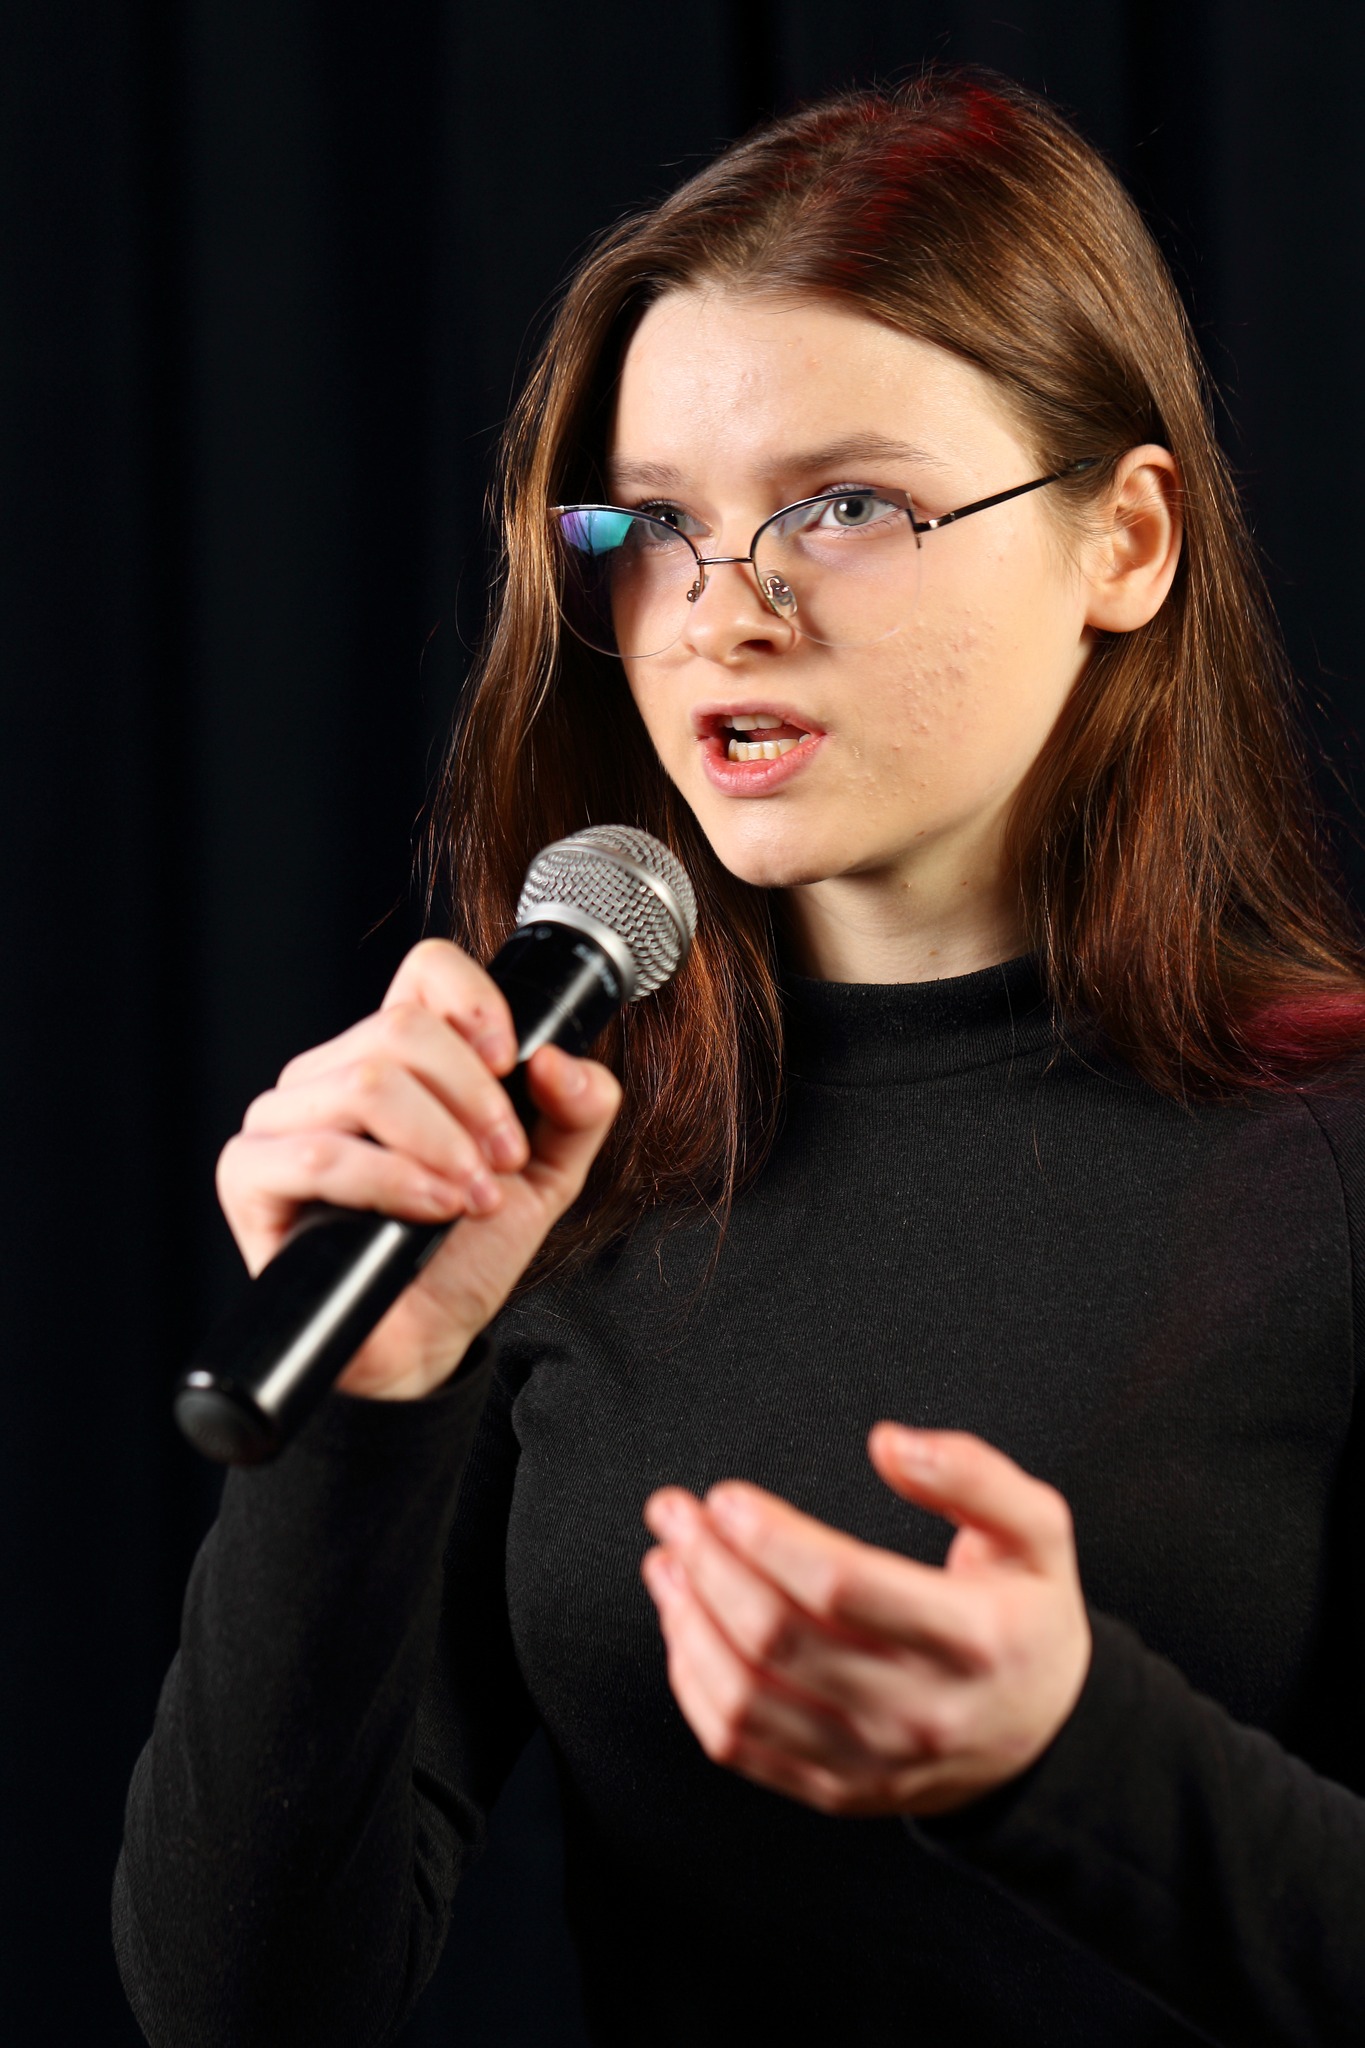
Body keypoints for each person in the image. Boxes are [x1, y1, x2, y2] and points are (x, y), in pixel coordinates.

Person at [114, 71, 1365, 2047]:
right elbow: (243, 2008)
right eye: (655, 524)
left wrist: (1064, 1760)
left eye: (843, 507)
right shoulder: (539, 1153)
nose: (719, 613)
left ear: (1124, 541)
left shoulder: (1327, 1155)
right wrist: (364, 1406)